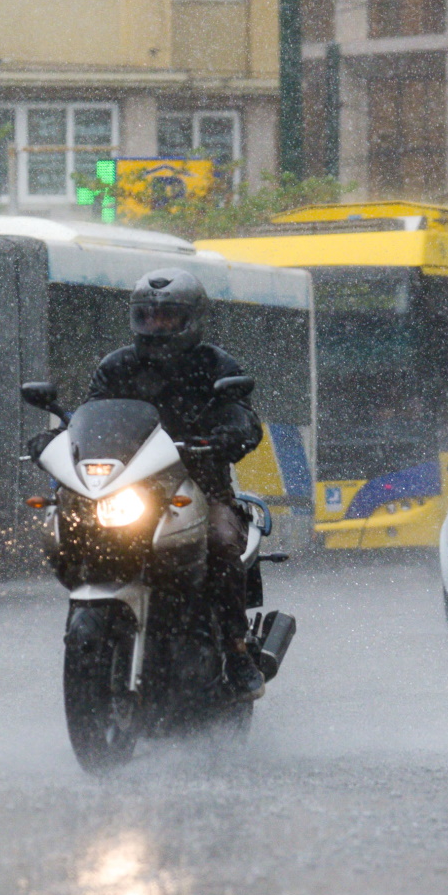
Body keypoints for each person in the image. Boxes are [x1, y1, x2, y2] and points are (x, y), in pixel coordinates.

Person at [85, 269, 267, 700]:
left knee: (223, 542)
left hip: (200, 485)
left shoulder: (216, 366)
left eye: (167, 318)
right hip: (131, 487)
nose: (156, 326)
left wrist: (233, 432)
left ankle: (237, 651)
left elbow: (244, 415)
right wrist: (59, 437)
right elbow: (89, 416)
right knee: (81, 528)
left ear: (193, 319)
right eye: (147, 317)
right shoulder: (117, 366)